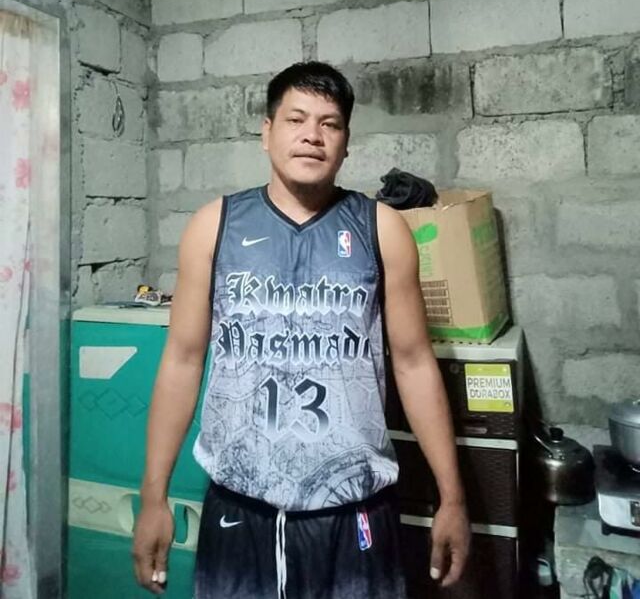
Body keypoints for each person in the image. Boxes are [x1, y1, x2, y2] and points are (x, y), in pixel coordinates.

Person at [133, 61, 470, 598]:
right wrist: (154, 497)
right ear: (267, 132)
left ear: (346, 142)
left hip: (354, 514)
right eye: (296, 119)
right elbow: (182, 360)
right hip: (240, 511)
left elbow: (413, 362)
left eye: (329, 124)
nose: (313, 135)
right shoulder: (213, 227)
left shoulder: (382, 230)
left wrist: (453, 498)